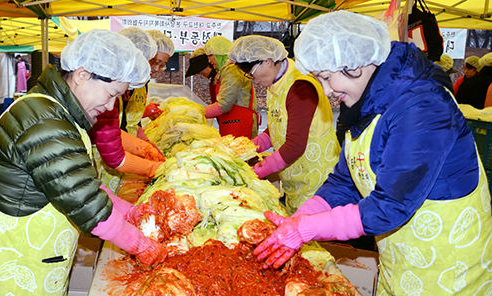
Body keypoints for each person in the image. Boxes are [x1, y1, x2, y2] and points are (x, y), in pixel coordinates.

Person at [254, 11, 492, 295]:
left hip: (448, 269)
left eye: (328, 77)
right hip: (402, 261)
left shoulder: (423, 106)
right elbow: (346, 181)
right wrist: (303, 215)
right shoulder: (365, 105)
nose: (328, 91)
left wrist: (309, 229)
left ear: (357, 63)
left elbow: (391, 205)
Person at [0, 29, 167, 295]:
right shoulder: (46, 123)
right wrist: (141, 245)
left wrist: (131, 213)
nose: (112, 106)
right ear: (82, 75)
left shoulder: (53, 111)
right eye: (112, 93)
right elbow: (87, 204)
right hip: (11, 263)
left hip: (25, 255)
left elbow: (81, 186)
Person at [228, 35, 340, 212]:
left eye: (251, 73)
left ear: (268, 61)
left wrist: (254, 173)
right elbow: (276, 126)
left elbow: (295, 146)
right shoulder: (275, 82)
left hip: (317, 184)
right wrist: (245, 149)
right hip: (296, 181)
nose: (252, 79)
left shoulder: (300, 86)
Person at [89, 27, 165, 186]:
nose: (110, 105)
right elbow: (114, 155)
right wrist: (152, 168)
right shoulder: (104, 88)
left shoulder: (106, 86)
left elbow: (110, 132)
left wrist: (143, 147)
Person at [204, 36, 258, 139]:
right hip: (233, 125)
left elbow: (224, 105)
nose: (209, 61)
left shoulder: (231, 70)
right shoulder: (227, 70)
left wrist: (198, 112)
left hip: (240, 126)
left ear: (219, 54)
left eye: (210, 55)